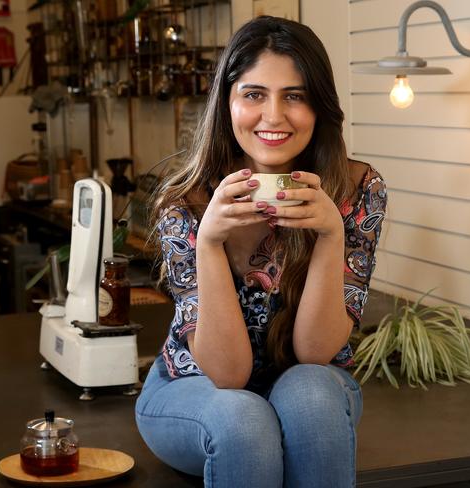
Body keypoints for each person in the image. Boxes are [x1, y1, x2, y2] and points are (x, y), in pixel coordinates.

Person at [135, 15, 387, 488]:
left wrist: (332, 234)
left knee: (310, 395)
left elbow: (315, 352)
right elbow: (228, 374)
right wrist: (209, 242)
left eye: (295, 95)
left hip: (310, 385)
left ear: (320, 106)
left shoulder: (358, 190)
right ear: (226, 104)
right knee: (246, 419)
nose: (274, 116)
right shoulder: (184, 201)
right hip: (193, 390)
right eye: (253, 94)